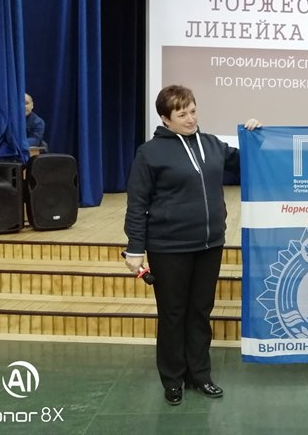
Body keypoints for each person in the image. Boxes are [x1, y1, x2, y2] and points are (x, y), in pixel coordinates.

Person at [123, 84, 260, 406]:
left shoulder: (211, 144)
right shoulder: (150, 153)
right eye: (182, 114)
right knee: (173, 314)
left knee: (200, 312)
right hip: (169, 246)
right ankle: (173, 379)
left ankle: (200, 375)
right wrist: (135, 248)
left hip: (209, 244)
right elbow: (137, 203)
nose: (190, 118)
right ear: (165, 118)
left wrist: (254, 135)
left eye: (193, 111)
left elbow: (249, 161)